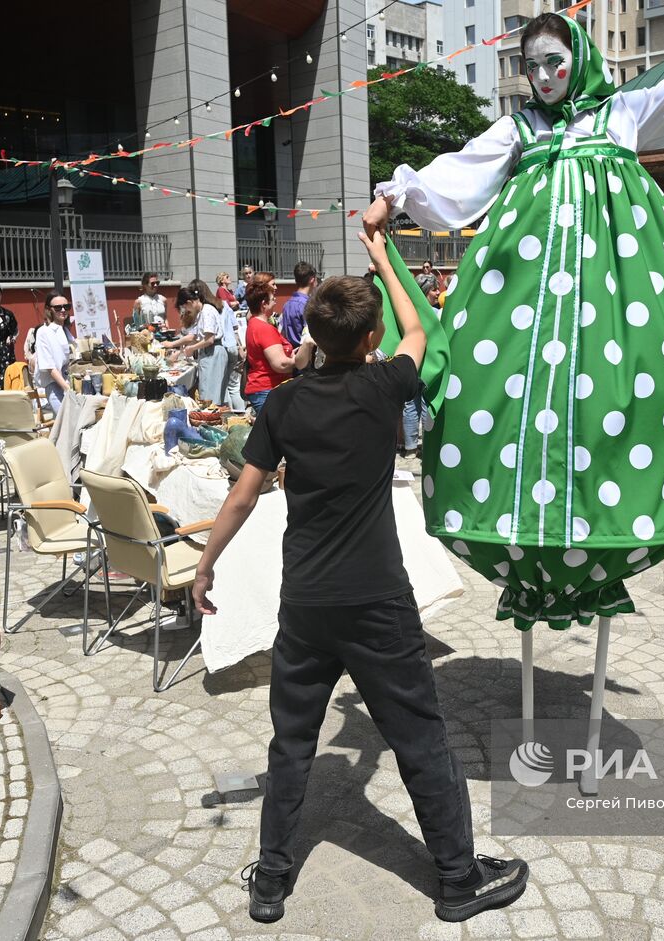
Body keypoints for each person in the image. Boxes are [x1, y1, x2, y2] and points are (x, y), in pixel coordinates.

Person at [365, 10, 664, 626]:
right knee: (503, 387)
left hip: (617, 291)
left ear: (579, 58)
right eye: (530, 65)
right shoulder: (520, 129)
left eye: (552, 61)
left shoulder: (621, 113)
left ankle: (614, 513)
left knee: (632, 389)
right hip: (527, 291)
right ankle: (512, 515)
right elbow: (462, 169)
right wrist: (393, 196)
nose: (542, 75)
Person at [193, 229, 530, 925]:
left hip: (308, 604)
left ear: (310, 331)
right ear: (369, 335)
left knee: (290, 742)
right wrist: (380, 251)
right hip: (377, 601)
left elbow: (241, 496)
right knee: (420, 738)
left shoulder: (282, 405)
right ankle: (459, 878)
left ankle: (272, 881)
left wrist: (204, 565)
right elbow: (417, 326)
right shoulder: (385, 385)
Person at [187, 279, 237, 407]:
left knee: (211, 398)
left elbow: (209, 339)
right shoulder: (208, 309)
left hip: (213, 352)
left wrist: (191, 348)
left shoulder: (207, 310)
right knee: (219, 394)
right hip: (217, 351)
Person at [244, 293, 294, 416]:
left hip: (264, 388)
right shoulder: (263, 328)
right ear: (263, 304)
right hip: (266, 388)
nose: (275, 302)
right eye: (272, 300)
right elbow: (280, 365)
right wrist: (299, 359)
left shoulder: (254, 323)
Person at [33, 291, 74, 417]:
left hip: (68, 383)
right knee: (66, 421)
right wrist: (67, 389)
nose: (63, 310)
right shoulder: (44, 332)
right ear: (49, 310)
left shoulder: (66, 331)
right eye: (58, 308)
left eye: (66, 307)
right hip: (55, 386)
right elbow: (49, 367)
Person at [279, 261, 317, 349]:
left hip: (291, 352)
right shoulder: (308, 305)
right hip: (305, 354)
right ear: (312, 279)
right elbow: (310, 335)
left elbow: (282, 331)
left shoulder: (287, 304)